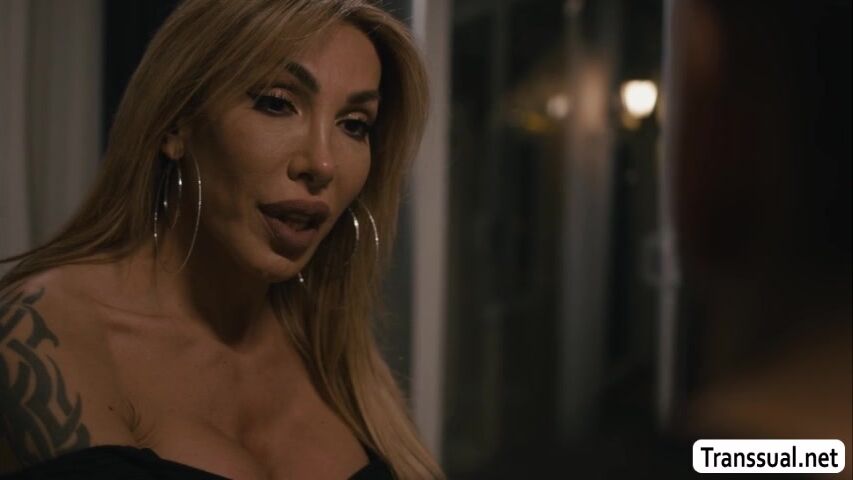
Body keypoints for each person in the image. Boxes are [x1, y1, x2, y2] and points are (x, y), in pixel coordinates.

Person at [0, 0, 442, 478]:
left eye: (354, 125)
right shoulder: (45, 330)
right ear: (177, 123)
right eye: (277, 103)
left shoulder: (335, 354)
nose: (322, 163)